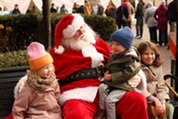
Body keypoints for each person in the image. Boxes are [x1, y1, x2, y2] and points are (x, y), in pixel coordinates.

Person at [49, 13, 148, 119]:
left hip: (110, 88)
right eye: (77, 31)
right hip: (77, 94)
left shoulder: (99, 43)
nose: (82, 32)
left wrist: (136, 75)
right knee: (76, 114)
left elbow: (123, 60)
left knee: (136, 100)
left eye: (82, 27)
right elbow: (42, 73)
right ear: (67, 37)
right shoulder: (58, 53)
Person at [95, 27, 147, 119]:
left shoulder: (130, 58)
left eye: (118, 44)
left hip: (123, 85)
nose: (114, 47)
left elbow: (128, 72)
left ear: (126, 46)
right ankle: (102, 110)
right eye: (113, 43)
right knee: (101, 87)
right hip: (113, 83)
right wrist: (106, 71)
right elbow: (111, 65)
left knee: (110, 100)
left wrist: (112, 76)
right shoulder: (116, 55)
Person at [12, 42, 62, 118]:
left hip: (55, 116)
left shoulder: (53, 82)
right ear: (37, 70)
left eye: (50, 66)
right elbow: (18, 107)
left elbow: (59, 99)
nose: (49, 70)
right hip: (38, 116)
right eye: (46, 68)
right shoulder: (30, 87)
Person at [137, 41, 174, 119]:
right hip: (145, 99)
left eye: (152, 53)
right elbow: (139, 88)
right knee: (153, 113)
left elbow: (161, 85)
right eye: (146, 54)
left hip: (157, 97)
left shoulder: (157, 66)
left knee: (169, 108)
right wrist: (154, 100)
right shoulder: (137, 68)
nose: (150, 56)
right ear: (140, 55)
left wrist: (162, 101)